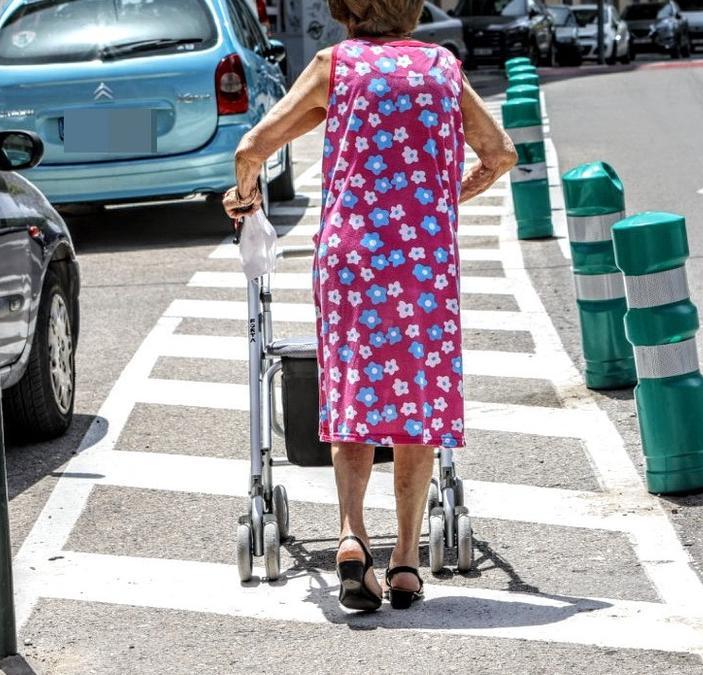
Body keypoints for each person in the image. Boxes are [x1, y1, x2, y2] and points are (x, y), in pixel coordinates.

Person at [223, 0, 516, 611]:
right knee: (418, 400)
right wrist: (445, 198)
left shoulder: (337, 65)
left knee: (352, 391)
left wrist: (244, 200)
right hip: (424, 261)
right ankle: (406, 560)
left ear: (346, 12)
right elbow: (501, 153)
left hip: (352, 257)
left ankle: (353, 535)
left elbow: (253, 145)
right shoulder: (441, 67)